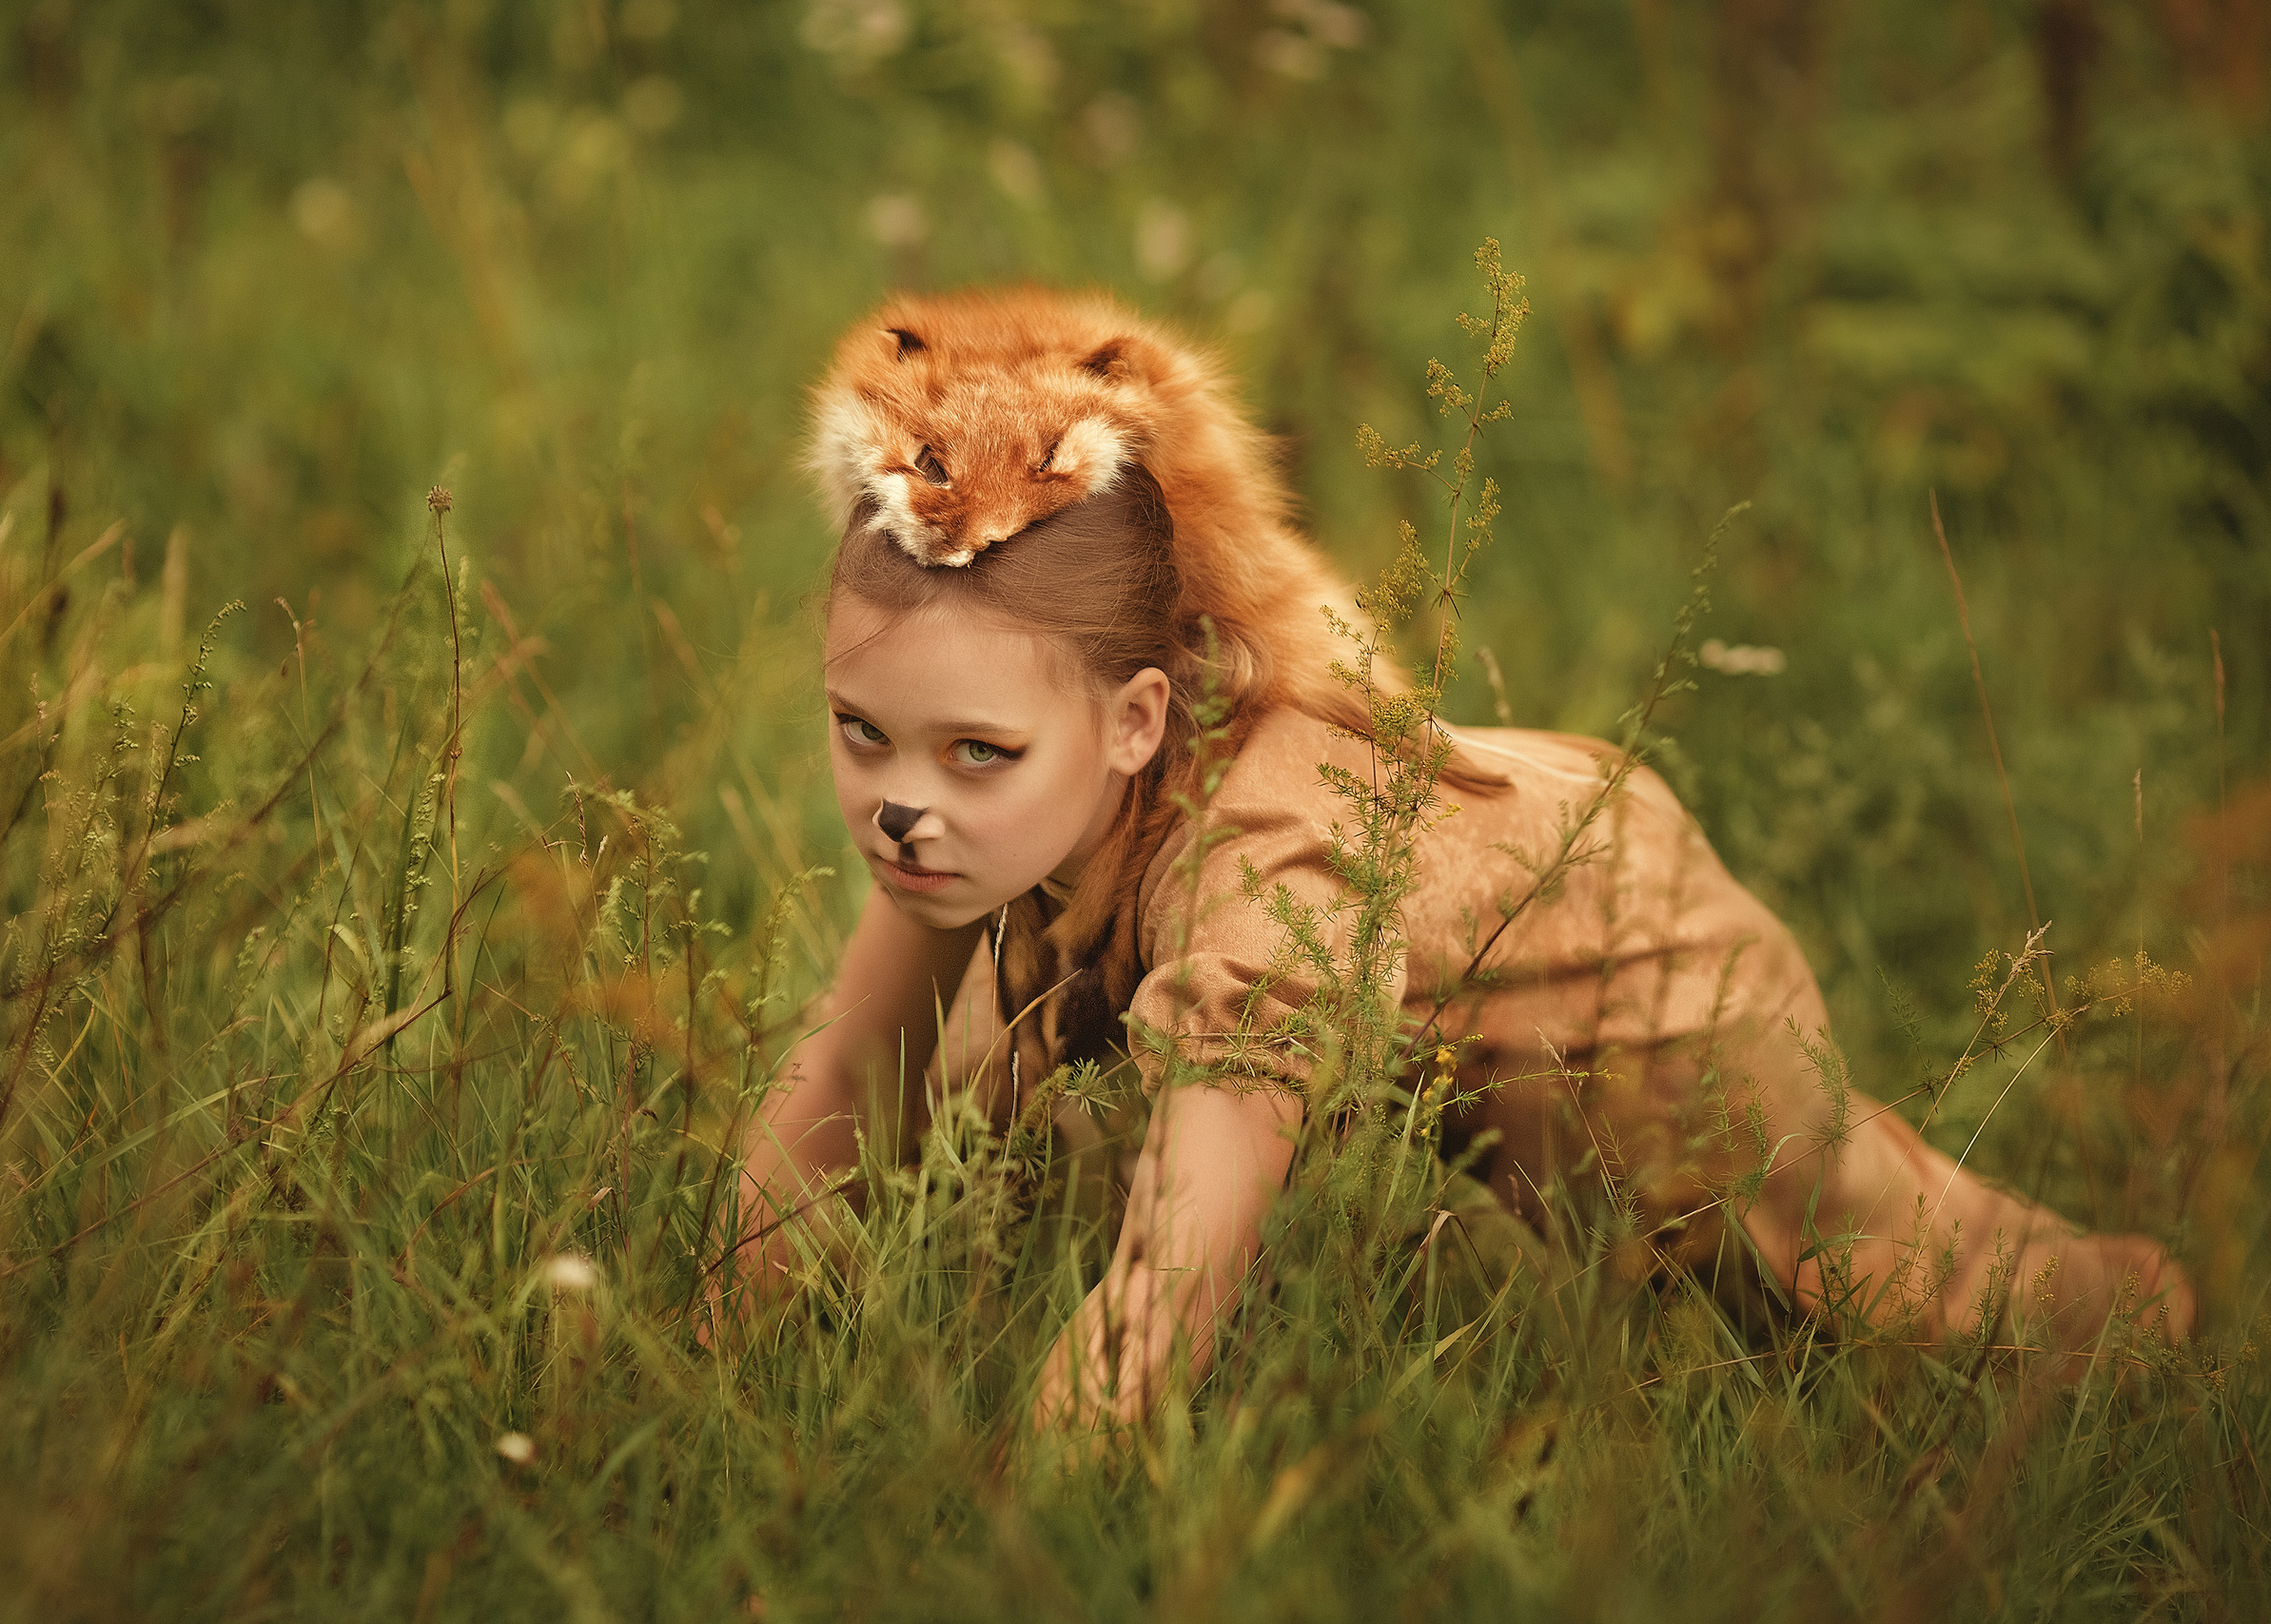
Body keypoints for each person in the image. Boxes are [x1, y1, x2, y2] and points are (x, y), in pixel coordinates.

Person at [724, 286, 2196, 1430]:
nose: (901, 807)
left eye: (974, 754)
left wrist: (1004, 1528)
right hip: (1349, 924)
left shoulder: (1273, 879)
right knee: (985, 1098)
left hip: (1618, 949)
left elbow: (1172, 1290)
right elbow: (853, 1072)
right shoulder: (979, 790)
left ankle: (2132, 1312)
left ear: (1134, 723)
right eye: (863, 734)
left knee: (1839, 1265)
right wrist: (726, 1349)